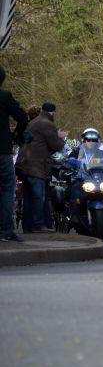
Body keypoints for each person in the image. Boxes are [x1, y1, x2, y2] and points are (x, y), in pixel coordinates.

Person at [16, 102, 67, 233]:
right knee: (39, 196)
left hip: (25, 164)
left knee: (28, 197)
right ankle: (38, 225)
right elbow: (56, 145)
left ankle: (27, 226)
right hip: (37, 166)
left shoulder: (34, 122)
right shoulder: (47, 123)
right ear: (52, 113)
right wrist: (61, 138)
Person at [0, 66, 28, 242]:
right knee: (7, 187)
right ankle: (6, 229)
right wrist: (15, 136)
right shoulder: (4, 96)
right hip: (2, 150)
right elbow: (22, 118)